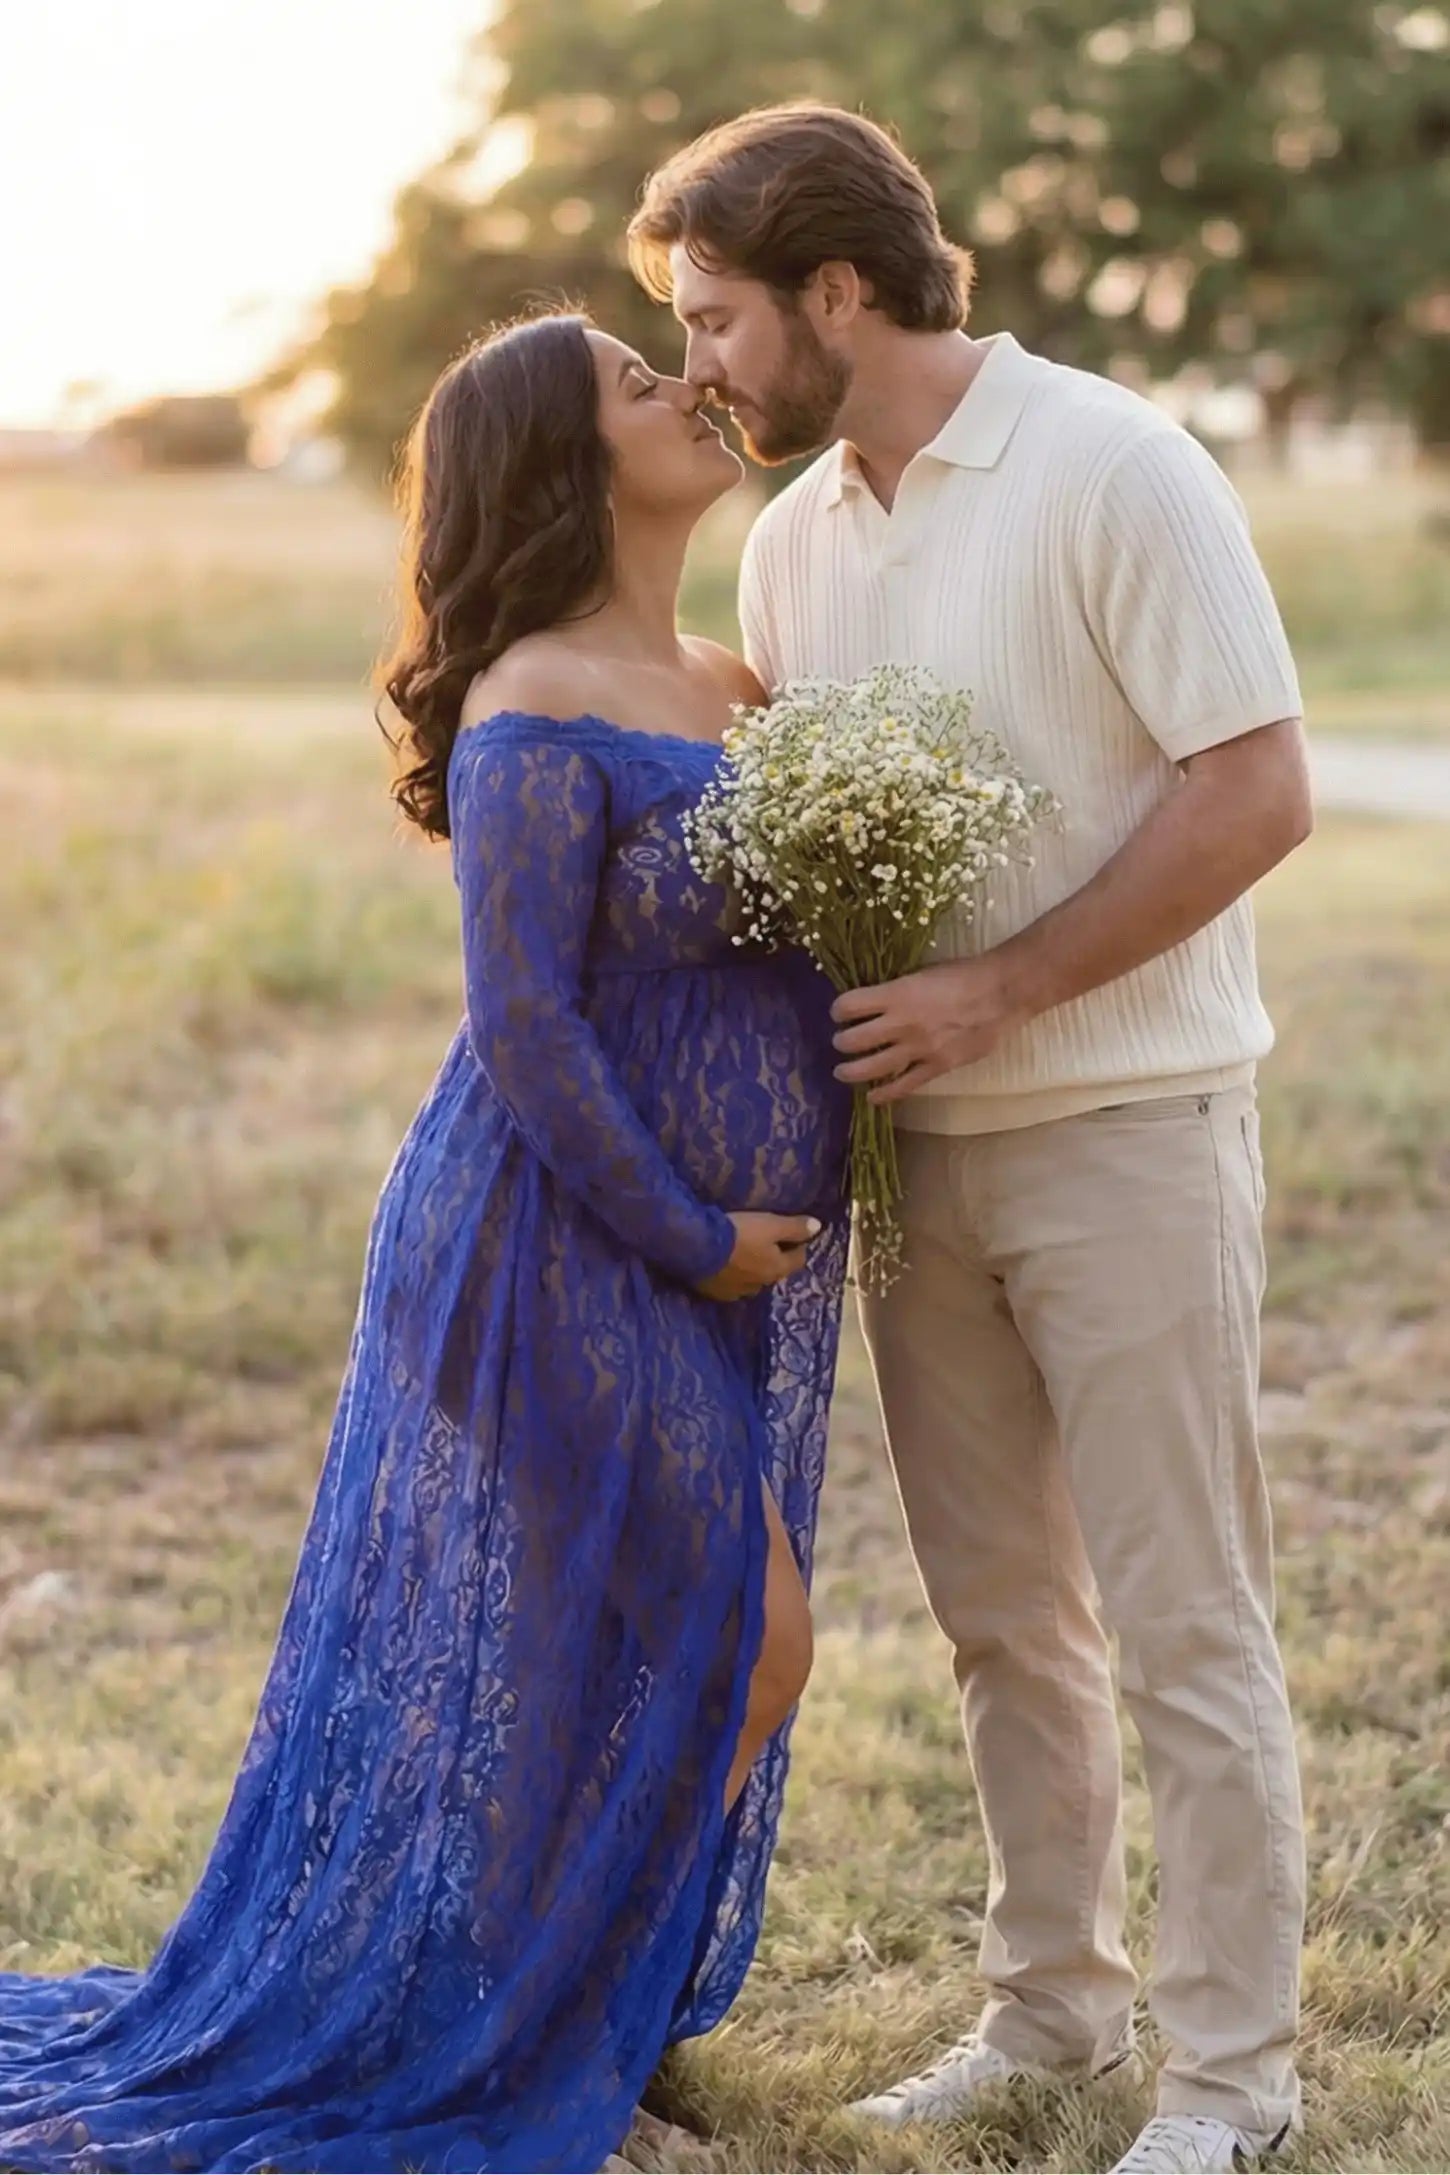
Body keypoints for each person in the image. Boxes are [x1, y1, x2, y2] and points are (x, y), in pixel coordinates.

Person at [0, 312, 851, 2175]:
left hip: (691, 1249)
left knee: (589, 1648)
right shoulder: (534, 697)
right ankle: (547, 2053)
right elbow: (527, 1020)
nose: (686, 389)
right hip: (550, 1240)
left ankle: (549, 2035)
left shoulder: (731, 674)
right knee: (741, 1636)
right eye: (639, 382)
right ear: (563, 462)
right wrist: (695, 1229)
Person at [629, 103, 1314, 2175]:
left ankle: (1227, 2078)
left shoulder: (1112, 462)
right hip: (907, 1170)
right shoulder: (795, 531)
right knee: (1001, 1613)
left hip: (1123, 1125)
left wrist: (1005, 988)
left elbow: (1258, 782)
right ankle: (1047, 2011)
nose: (698, 366)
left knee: (1183, 1611)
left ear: (837, 287)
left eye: (716, 316)